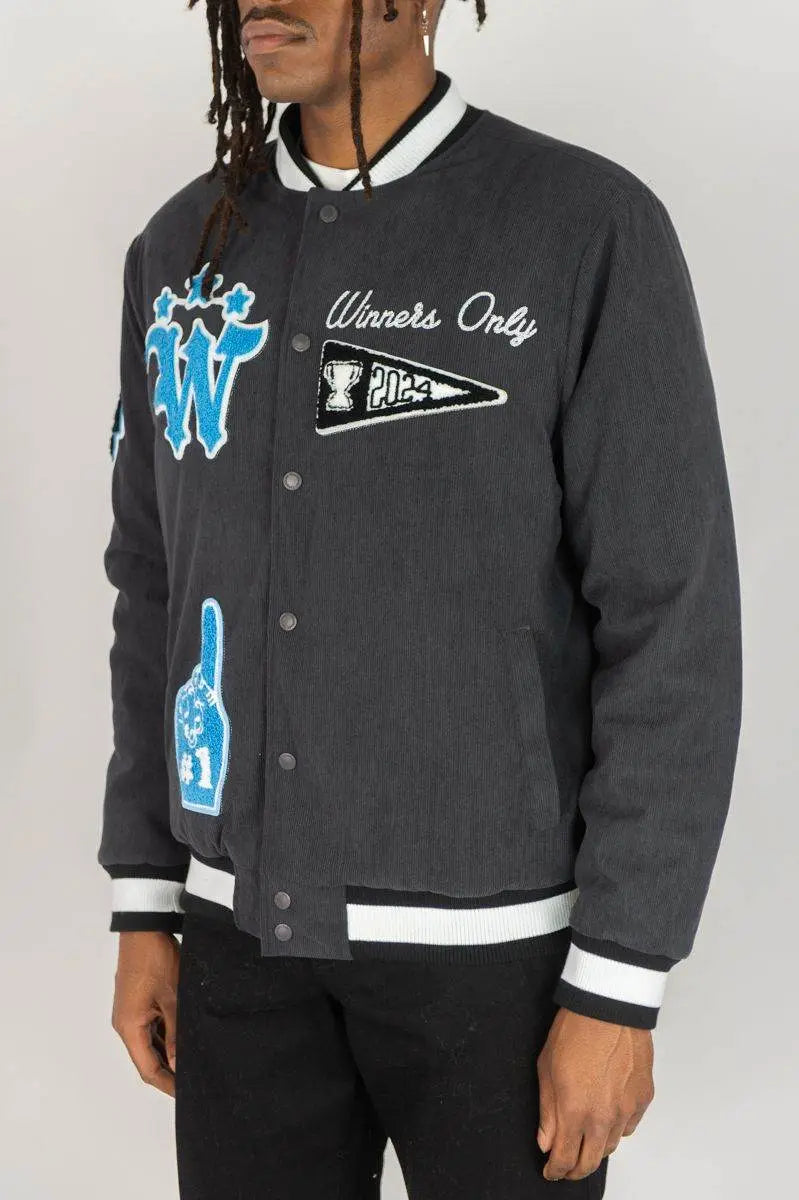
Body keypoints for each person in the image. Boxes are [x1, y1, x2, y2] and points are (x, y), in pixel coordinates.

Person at [98, 2, 743, 1197]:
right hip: (239, 947)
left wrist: (618, 982)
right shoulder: (182, 246)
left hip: (498, 968)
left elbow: (671, 621)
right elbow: (153, 585)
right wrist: (147, 901)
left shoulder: (584, 227)